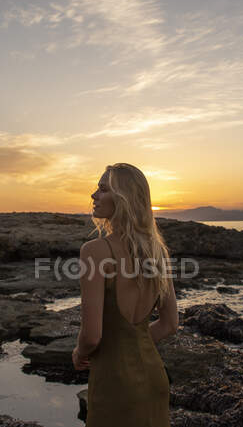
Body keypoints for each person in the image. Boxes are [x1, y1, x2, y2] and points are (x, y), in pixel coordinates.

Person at [72, 163, 179, 427]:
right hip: (155, 378)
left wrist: (78, 352)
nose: (94, 195)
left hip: (114, 382)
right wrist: (132, 341)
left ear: (123, 199)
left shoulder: (95, 251)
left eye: (103, 189)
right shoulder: (156, 252)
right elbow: (170, 324)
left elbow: (92, 335)